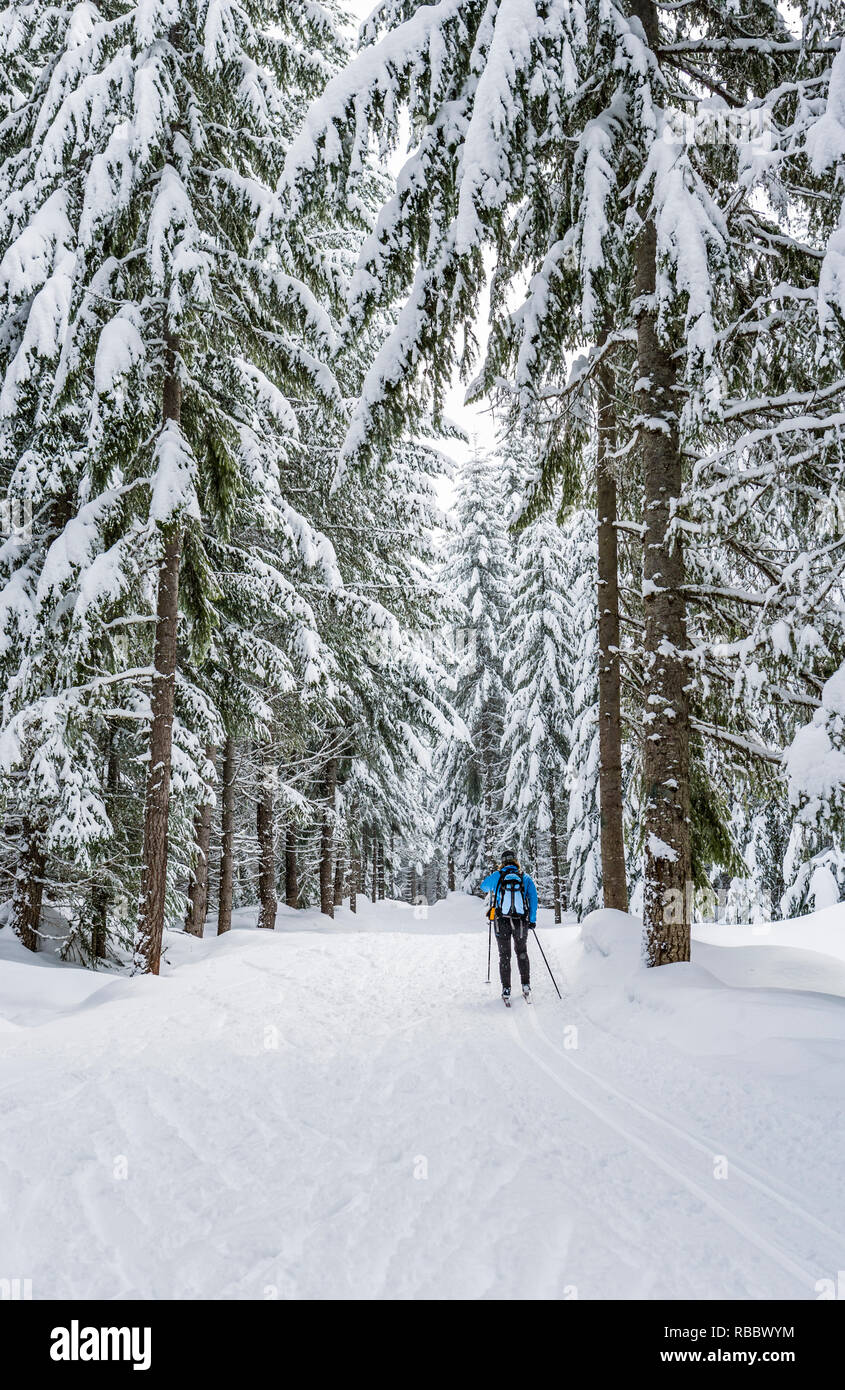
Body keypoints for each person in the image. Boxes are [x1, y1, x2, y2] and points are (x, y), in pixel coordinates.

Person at [480, 850, 538, 1004]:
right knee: (522, 952)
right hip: (520, 921)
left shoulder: (498, 876)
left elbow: (484, 886)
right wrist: (532, 920)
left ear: (503, 861)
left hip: (501, 921)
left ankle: (506, 989)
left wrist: (495, 876)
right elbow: (533, 899)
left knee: (504, 955)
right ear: (515, 861)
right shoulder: (524, 877)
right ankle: (526, 985)